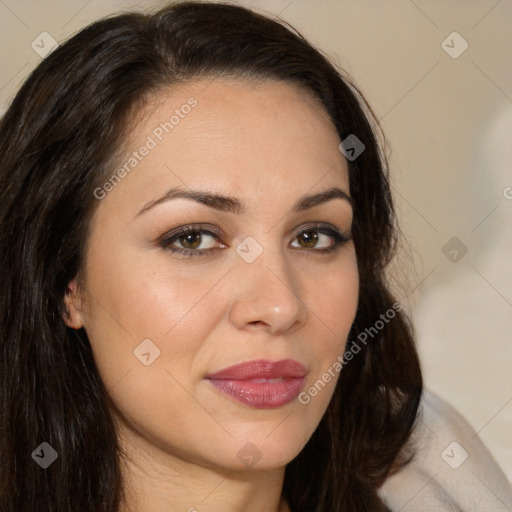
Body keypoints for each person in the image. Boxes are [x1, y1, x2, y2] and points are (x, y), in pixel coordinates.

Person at [0, 1, 509, 511]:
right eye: (194, 238)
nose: (280, 305)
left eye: (313, 237)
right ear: (69, 283)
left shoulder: (431, 471)